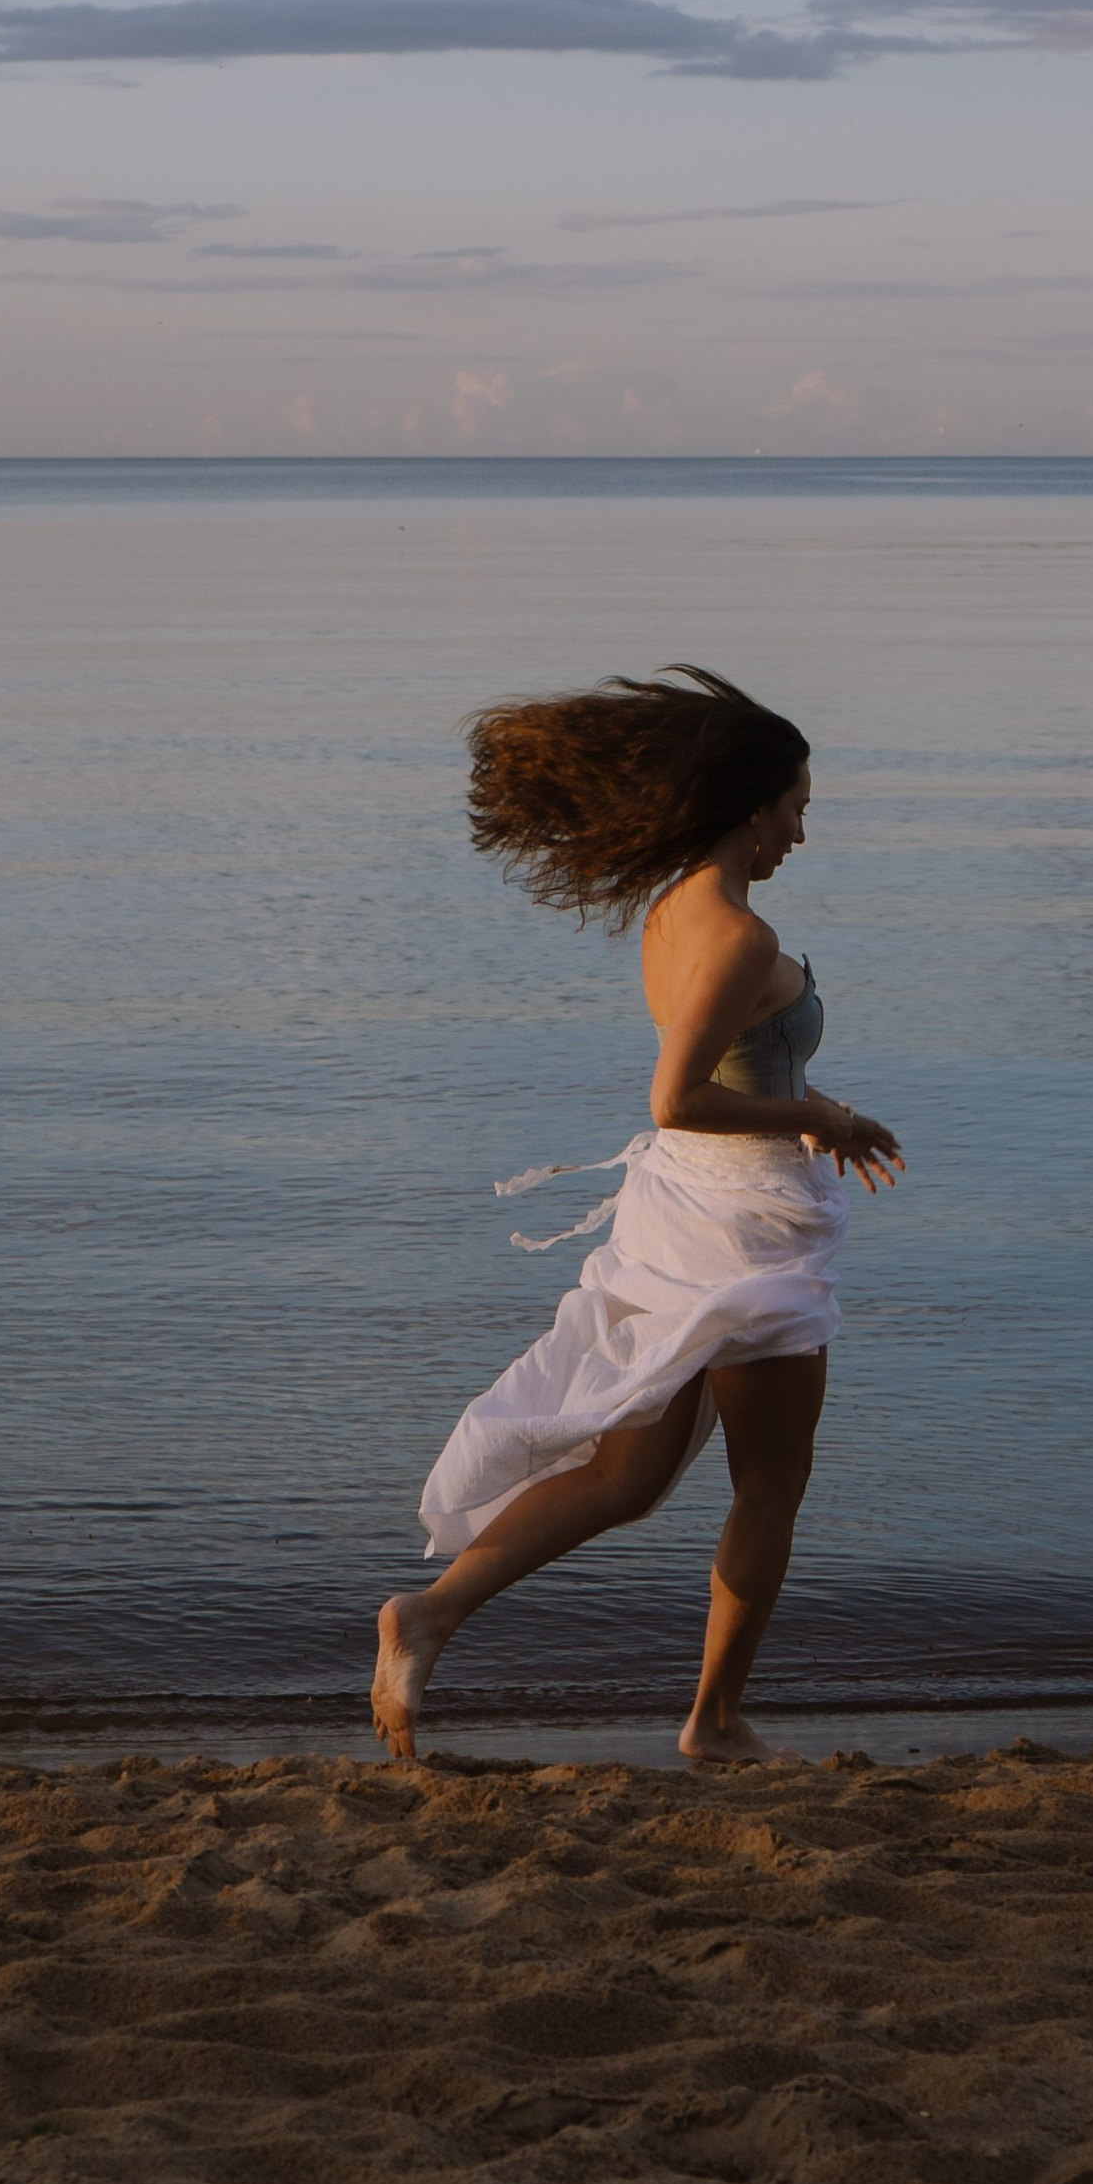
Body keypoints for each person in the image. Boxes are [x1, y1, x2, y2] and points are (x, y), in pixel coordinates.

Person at [372, 664, 902, 1766]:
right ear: (752, 804)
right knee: (770, 1484)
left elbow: (725, 1078)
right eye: (797, 808)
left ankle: (428, 1617)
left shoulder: (673, 909)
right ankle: (712, 1724)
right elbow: (672, 1097)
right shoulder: (739, 937)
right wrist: (824, 1115)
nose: (801, 832)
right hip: (742, 1236)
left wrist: (796, 1114)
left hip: (687, 1214)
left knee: (627, 1478)